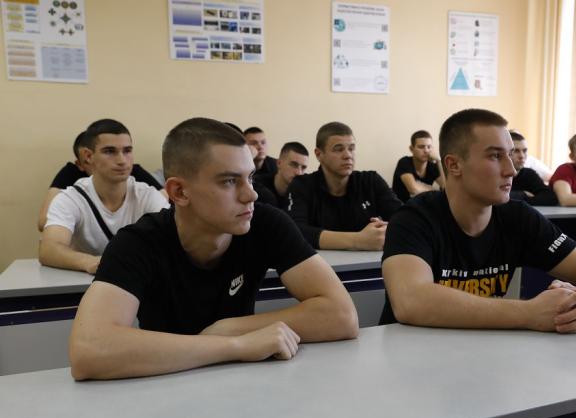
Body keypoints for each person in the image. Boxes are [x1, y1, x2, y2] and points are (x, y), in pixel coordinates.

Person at [68, 117, 359, 380]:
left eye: (250, 177)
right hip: (164, 384)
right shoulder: (138, 241)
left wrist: (229, 328)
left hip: (243, 382)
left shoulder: (266, 223)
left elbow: (342, 316)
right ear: (179, 191)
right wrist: (234, 344)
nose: (251, 194)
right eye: (230, 181)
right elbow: (89, 350)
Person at [380, 109, 576, 333]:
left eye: (510, 155)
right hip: (413, 355)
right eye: (495, 156)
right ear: (454, 165)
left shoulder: (518, 217)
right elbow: (411, 301)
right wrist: (530, 313)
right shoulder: (413, 218)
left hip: (485, 353)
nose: (511, 170)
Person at [39, 119, 170, 274]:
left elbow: (174, 242)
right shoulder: (70, 199)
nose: (122, 160)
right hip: (86, 283)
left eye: (127, 151)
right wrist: (92, 263)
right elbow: (49, 249)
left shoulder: (148, 195)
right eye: (109, 151)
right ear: (88, 156)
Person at [287, 122, 402, 250]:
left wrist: (385, 229)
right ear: (319, 154)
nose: (348, 155)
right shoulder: (302, 185)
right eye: (338, 149)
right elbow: (295, 230)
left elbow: (405, 219)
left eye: (351, 148)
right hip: (319, 261)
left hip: (370, 260)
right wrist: (358, 240)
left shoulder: (370, 181)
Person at [38, 130, 164, 231]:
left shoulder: (128, 171)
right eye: (87, 159)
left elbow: (163, 199)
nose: (120, 160)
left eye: (126, 151)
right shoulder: (71, 175)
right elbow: (44, 221)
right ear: (80, 164)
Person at [391, 130, 444, 202]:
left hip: (422, 205)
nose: (426, 150)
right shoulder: (404, 162)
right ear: (411, 149)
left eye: (429, 147)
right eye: (421, 147)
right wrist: (434, 190)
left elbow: (445, 187)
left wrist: (439, 161)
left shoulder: (432, 166)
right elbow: (414, 190)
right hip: (402, 205)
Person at [508, 131, 558, 206]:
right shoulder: (495, 174)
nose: (522, 156)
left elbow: (551, 198)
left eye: (524, 151)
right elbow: (494, 197)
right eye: (516, 151)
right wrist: (522, 194)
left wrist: (522, 198)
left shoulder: (528, 174)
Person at [256, 142, 309, 208]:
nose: (299, 173)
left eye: (303, 167)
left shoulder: (306, 193)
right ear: (279, 163)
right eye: (294, 165)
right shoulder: (257, 187)